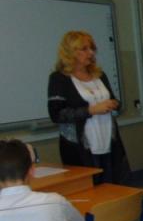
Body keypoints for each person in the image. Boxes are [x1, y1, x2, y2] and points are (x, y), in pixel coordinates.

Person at [48, 31, 130, 184]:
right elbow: (56, 114)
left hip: (108, 139)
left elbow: (114, 99)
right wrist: (91, 110)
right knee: (90, 187)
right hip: (80, 145)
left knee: (115, 184)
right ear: (70, 52)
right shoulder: (59, 78)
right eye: (84, 49)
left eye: (92, 48)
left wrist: (115, 104)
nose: (91, 52)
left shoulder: (99, 75)